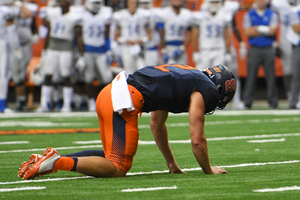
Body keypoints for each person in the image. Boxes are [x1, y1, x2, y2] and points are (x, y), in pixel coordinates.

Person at [19, 63, 235, 180]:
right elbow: (197, 140)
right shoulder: (205, 90)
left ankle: (50, 160)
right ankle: (56, 163)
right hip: (124, 100)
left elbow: (156, 125)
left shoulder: (185, 76)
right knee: (118, 167)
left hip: (109, 92)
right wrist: (209, 170)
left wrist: (172, 164)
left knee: (108, 157)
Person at [36, 0, 83, 112]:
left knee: (66, 75)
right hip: (52, 46)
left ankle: (67, 105)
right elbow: (47, 31)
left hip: (66, 48)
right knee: (47, 75)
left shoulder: (74, 16)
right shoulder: (53, 13)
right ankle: (44, 104)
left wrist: (81, 55)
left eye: (63, 1)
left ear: (69, 3)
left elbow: (79, 37)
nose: (61, 2)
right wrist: (44, 50)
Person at [78, 0, 113, 112]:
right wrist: (81, 55)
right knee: (88, 78)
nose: (96, 5)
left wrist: (108, 50)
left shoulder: (105, 14)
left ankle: (106, 101)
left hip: (101, 50)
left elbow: (107, 35)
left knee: (106, 77)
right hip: (88, 50)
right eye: (94, 2)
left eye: (98, 2)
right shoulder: (82, 15)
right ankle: (91, 102)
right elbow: (79, 37)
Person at [242, 0, 278, 109]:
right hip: (254, 48)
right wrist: (264, 29)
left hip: (268, 48)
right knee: (251, 76)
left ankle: (273, 103)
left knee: (271, 77)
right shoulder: (249, 14)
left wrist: (256, 28)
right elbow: (247, 32)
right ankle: (247, 102)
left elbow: (273, 31)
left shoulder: (272, 14)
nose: (261, 2)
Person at [113, 0, 151, 74]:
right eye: (131, 3)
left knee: (143, 70)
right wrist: (125, 40)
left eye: (134, 3)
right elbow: (116, 37)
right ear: (127, 4)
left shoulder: (143, 15)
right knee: (129, 72)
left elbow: (149, 34)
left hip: (140, 48)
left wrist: (142, 40)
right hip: (126, 48)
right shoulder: (121, 15)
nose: (133, 5)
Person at [157, 0, 193, 64]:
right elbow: (161, 33)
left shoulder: (187, 14)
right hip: (168, 46)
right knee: (165, 72)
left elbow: (190, 33)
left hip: (181, 46)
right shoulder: (164, 13)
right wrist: (163, 50)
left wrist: (183, 47)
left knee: (182, 72)